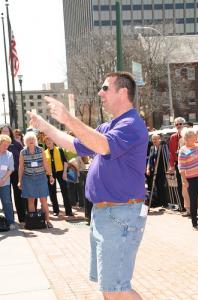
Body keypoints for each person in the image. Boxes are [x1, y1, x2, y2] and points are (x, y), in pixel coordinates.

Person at [28, 71, 148, 300]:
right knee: (110, 288)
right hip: (107, 214)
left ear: (123, 92)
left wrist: (69, 118)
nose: (100, 93)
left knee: (116, 288)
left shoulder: (132, 124)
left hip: (120, 213)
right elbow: (74, 144)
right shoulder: (108, 126)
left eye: (105, 88)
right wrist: (45, 126)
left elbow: (103, 146)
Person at [18, 131, 54, 228]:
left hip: (41, 178)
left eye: (33, 139)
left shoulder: (41, 149)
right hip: (28, 179)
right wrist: (19, 180)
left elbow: (45, 164)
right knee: (31, 201)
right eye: (29, 140)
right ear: (25, 141)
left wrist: (50, 175)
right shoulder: (23, 152)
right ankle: (33, 221)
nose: (31, 141)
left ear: (35, 140)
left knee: (43, 200)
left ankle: (48, 221)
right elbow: (21, 167)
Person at [0, 125, 26, 223]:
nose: (5, 133)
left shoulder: (16, 143)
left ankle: (22, 219)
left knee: (18, 196)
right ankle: (9, 220)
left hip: (15, 172)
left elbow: (23, 156)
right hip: (3, 175)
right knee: (7, 198)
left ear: (10, 132)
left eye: (7, 131)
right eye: (3, 131)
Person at [44, 136, 73, 216]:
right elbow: (45, 165)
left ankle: (68, 211)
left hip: (60, 172)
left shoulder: (59, 150)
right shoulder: (45, 152)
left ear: (53, 141)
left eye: (49, 140)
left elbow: (65, 162)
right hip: (50, 174)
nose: (48, 142)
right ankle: (55, 210)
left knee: (65, 191)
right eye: (46, 141)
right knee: (52, 192)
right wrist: (49, 175)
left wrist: (64, 172)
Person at [178, 128, 198, 230]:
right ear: (187, 138)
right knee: (193, 201)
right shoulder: (183, 150)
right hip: (191, 179)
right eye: (194, 136)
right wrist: (184, 180)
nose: (196, 137)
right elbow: (181, 167)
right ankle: (194, 224)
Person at [146, 134, 169, 208]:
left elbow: (167, 157)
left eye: (156, 139)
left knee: (162, 186)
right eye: (153, 139)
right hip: (153, 170)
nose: (154, 141)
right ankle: (159, 202)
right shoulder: (152, 148)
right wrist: (148, 168)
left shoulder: (163, 147)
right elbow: (150, 159)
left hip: (162, 170)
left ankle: (164, 202)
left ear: (159, 139)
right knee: (155, 186)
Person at [169, 117, 186, 211]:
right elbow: (171, 152)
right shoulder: (173, 137)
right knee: (180, 184)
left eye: (180, 124)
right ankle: (182, 206)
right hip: (178, 164)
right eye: (177, 124)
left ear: (183, 124)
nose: (179, 126)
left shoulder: (188, 135)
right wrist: (171, 165)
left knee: (190, 185)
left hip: (189, 163)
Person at [0, 134, 15, 230]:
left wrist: (3, 179)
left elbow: (10, 169)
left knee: (7, 202)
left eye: (8, 145)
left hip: (5, 183)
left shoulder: (9, 154)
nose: (6, 147)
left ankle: (11, 222)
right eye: (4, 144)